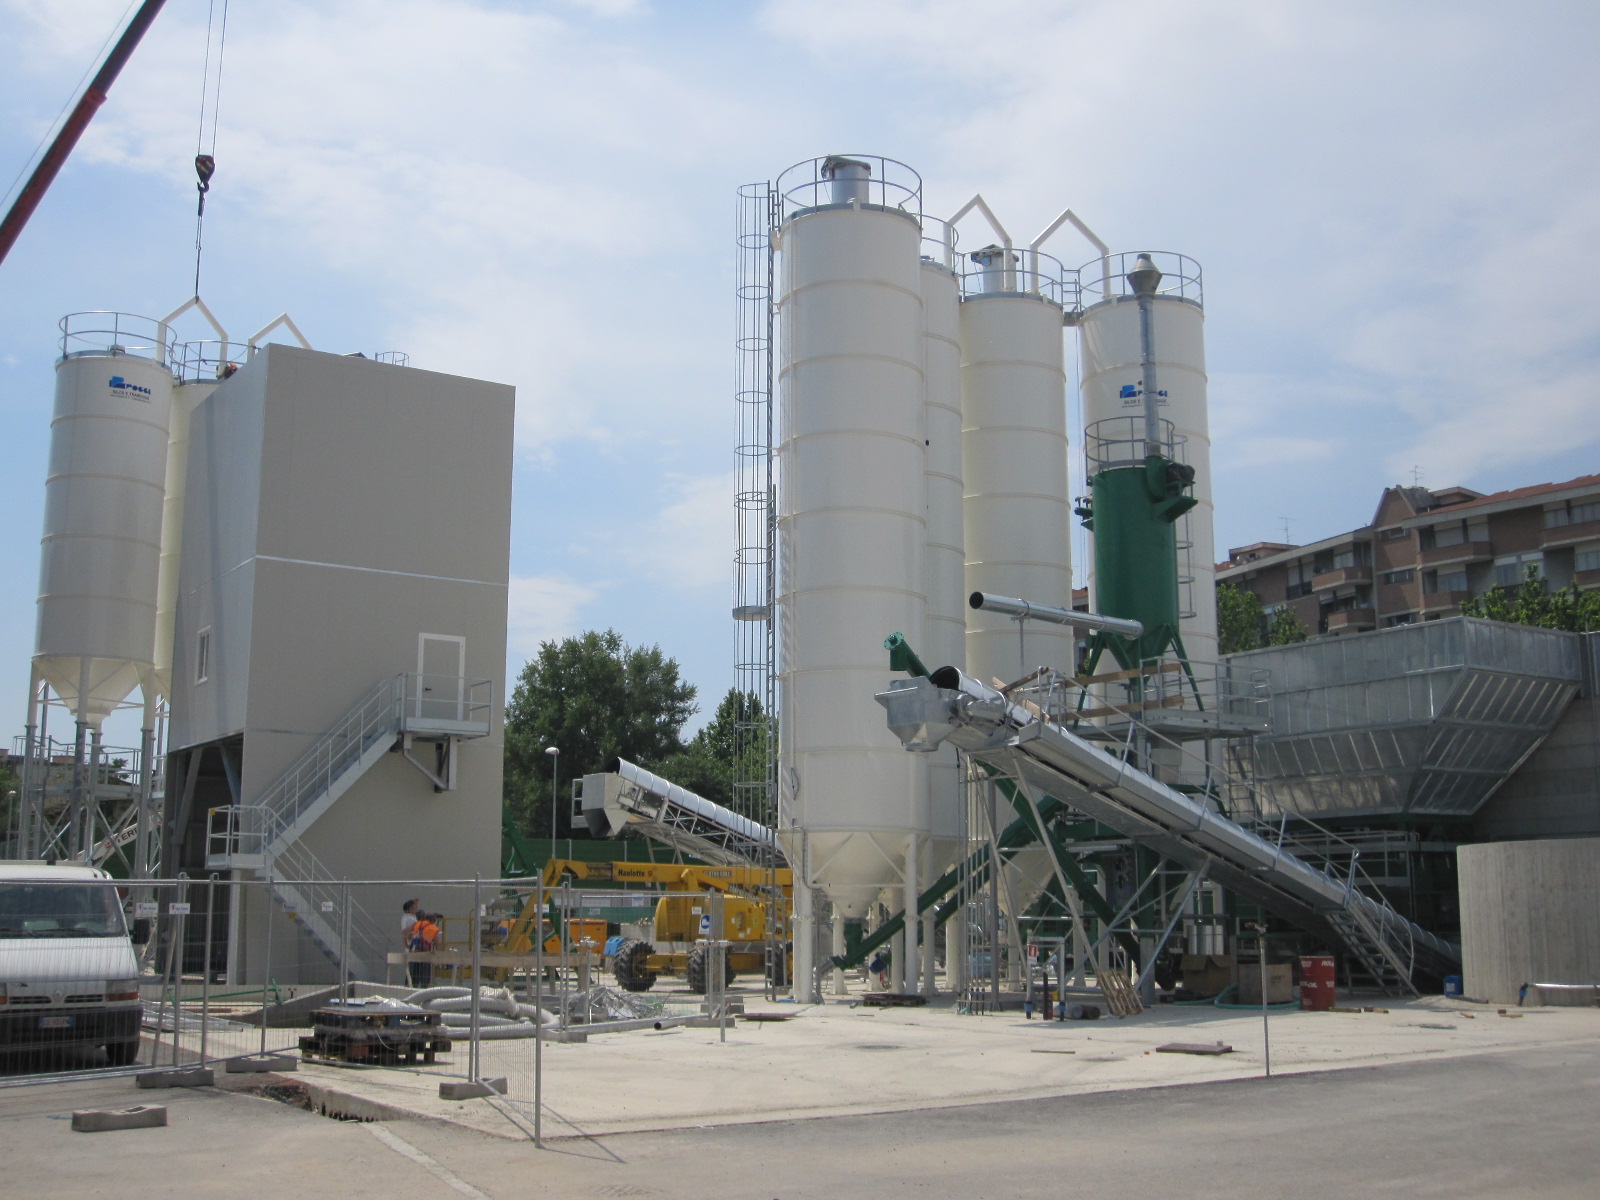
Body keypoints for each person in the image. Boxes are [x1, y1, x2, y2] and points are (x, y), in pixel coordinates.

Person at [408, 906, 440, 989]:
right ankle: (423, 994)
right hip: (425, 955)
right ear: (433, 920)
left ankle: (411, 992)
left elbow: (409, 936)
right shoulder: (431, 928)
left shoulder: (417, 924)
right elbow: (436, 943)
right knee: (424, 978)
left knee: (413, 978)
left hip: (414, 954)